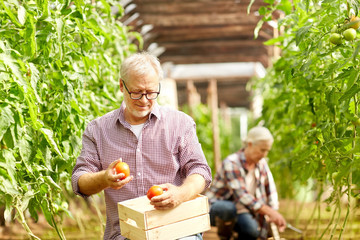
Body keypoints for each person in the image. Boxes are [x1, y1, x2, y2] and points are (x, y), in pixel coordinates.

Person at [71, 52, 212, 240]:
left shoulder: (180, 124)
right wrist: (104, 178)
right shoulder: (98, 130)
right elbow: (79, 180)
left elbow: (200, 170)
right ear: (122, 85)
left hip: (176, 230)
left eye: (151, 92)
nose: (144, 100)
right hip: (124, 234)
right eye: (136, 92)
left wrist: (180, 193)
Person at [205, 126, 286, 240]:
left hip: (243, 209)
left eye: (267, 150)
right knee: (228, 209)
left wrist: (273, 212)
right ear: (250, 144)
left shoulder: (261, 163)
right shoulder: (232, 163)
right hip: (219, 207)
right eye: (262, 150)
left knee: (251, 232)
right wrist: (269, 212)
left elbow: (270, 189)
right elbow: (242, 195)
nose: (265, 154)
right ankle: (224, 234)